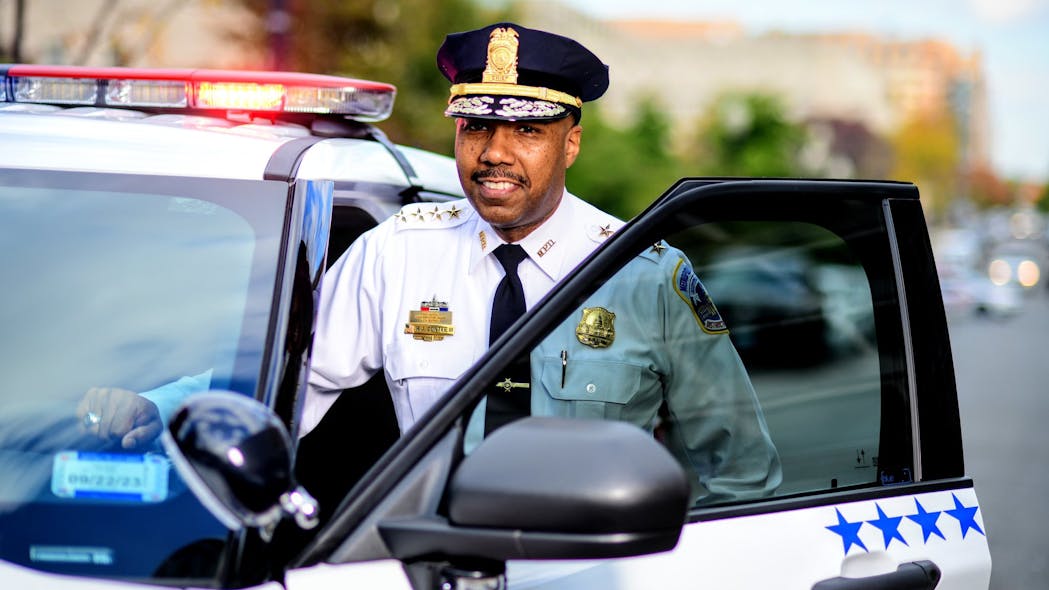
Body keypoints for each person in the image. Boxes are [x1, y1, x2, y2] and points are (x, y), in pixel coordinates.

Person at [301, 22, 780, 504]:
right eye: (476, 127)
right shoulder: (396, 252)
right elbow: (288, 400)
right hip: (438, 555)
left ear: (570, 144)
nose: (493, 154)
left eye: (526, 130)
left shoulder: (643, 274)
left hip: (590, 563)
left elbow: (742, 471)